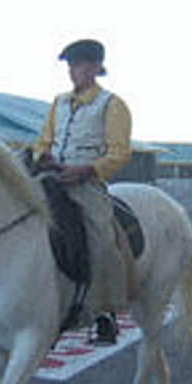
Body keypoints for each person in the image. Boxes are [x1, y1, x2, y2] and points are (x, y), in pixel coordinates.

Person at [33, 38, 135, 343]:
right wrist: (43, 156)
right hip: (52, 178)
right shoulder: (58, 102)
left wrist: (85, 170)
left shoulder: (113, 105)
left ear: (94, 67)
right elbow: (43, 140)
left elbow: (119, 153)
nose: (72, 72)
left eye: (78, 65)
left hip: (86, 183)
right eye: (70, 66)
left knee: (101, 239)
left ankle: (105, 313)